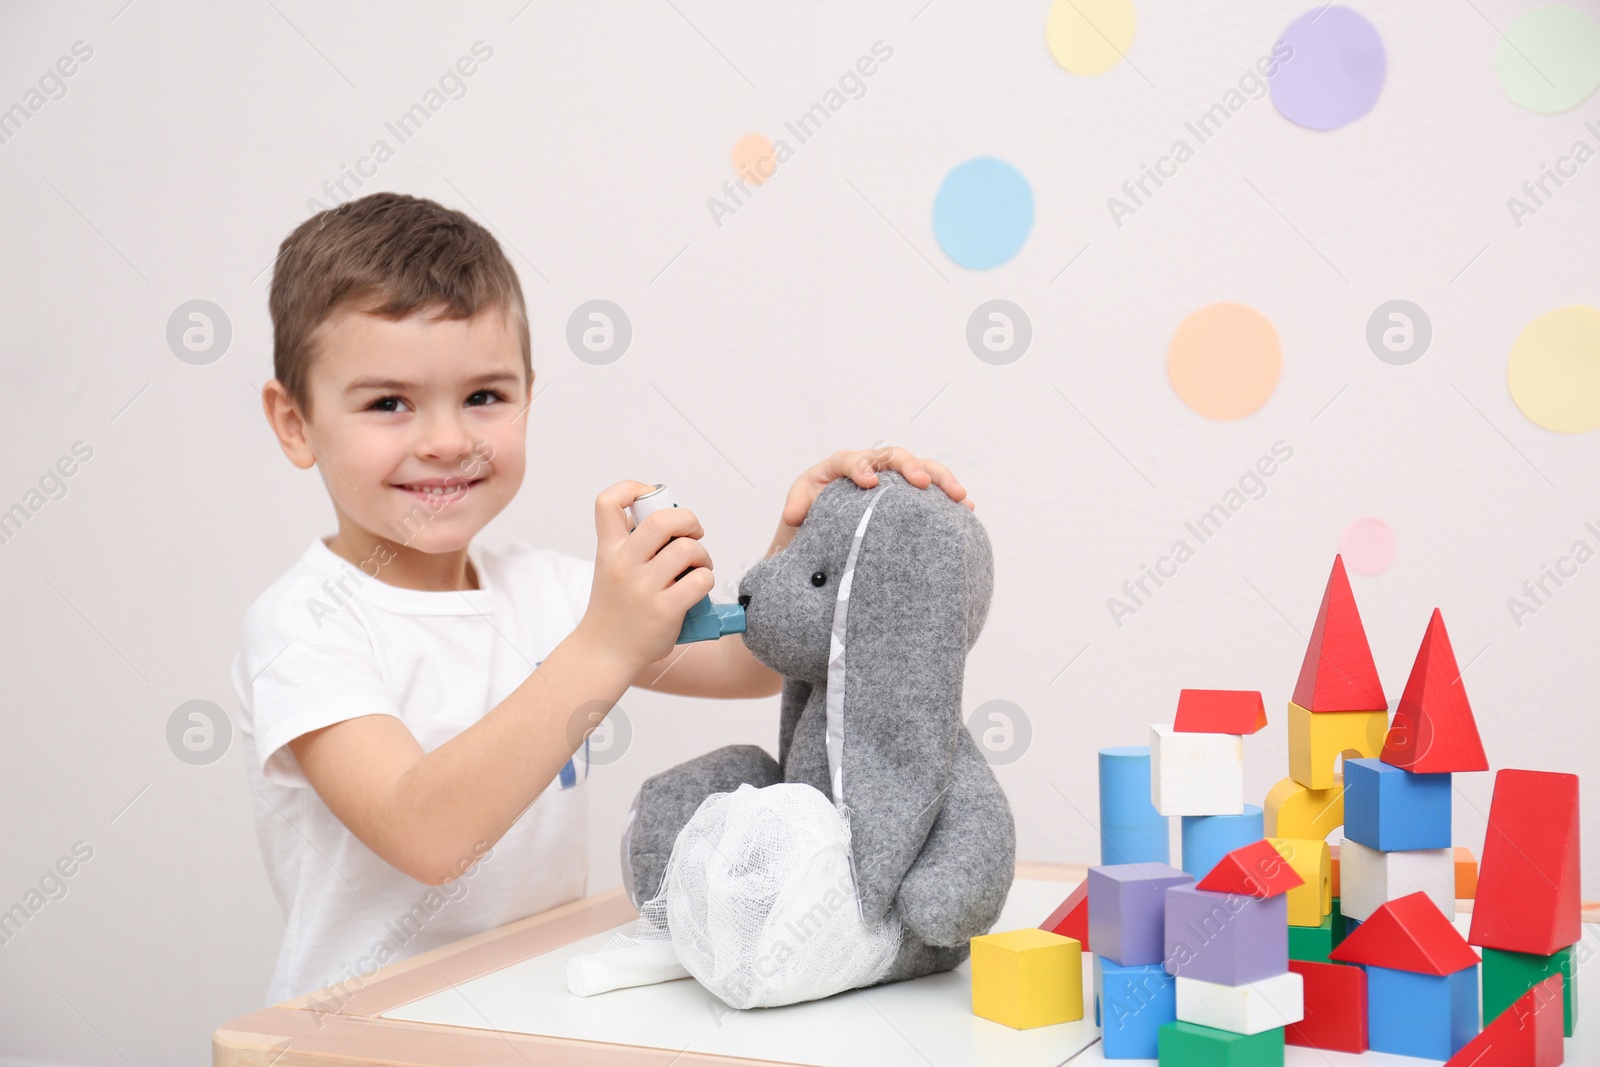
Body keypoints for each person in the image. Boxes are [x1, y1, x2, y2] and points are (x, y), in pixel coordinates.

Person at [231, 191, 975, 1007]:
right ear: (294, 421)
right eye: (387, 402)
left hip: (527, 1006)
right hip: (359, 1037)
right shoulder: (303, 625)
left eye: (484, 396)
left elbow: (749, 664)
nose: (446, 439)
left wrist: (802, 542)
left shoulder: (545, 590)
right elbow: (426, 834)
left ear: (527, 392)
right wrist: (604, 645)